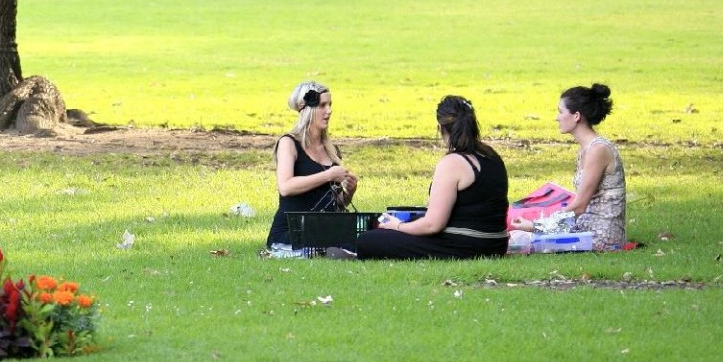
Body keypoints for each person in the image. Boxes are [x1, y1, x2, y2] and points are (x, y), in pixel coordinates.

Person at [358, 95, 510, 259]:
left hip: (467, 245)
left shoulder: (452, 163)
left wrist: (398, 226)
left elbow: (433, 225)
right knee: (416, 219)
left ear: (440, 128)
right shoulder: (491, 156)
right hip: (497, 244)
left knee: (368, 240)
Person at [512, 82, 625, 249]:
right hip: (583, 228)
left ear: (576, 116)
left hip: (600, 237)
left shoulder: (598, 150)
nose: (557, 117)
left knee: (516, 242)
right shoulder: (586, 148)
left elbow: (579, 206)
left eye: (560, 112)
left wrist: (536, 226)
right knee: (515, 237)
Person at [266, 80, 357, 247]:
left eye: (330, 104)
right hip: (292, 233)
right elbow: (285, 187)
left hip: (323, 229)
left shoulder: (332, 150)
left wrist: (350, 191)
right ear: (306, 109)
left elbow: (335, 204)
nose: (329, 111)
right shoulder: (288, 143)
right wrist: (328, 175)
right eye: (322, 105)